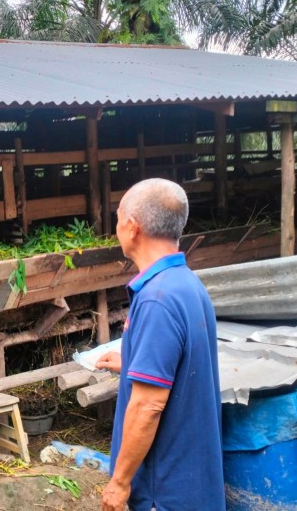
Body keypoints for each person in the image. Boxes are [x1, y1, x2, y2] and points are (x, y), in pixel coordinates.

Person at [95, 178, 224, 511]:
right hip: (195, 483)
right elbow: (184, 362)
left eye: (118, 218)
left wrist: (119, 483)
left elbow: (148, 406)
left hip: (164, 492)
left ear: (132, 227)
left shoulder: (157, 299)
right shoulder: (187, 284)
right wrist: (135, 364)